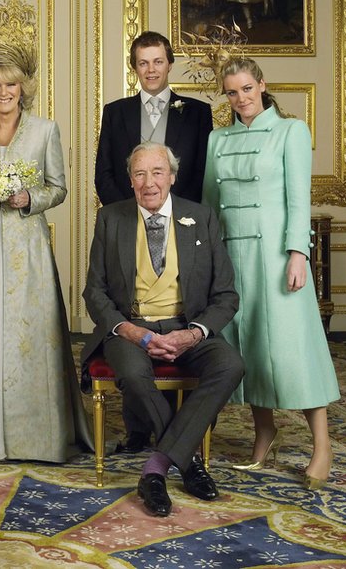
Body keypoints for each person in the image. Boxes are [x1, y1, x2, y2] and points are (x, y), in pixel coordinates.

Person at [0, 41, 90, 462]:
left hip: (28, 245)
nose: (3, 92)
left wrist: (30, 198)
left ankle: (36, 439)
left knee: (31, 332)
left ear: (23, 87)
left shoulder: (45, 130)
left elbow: (58, 188)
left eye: (10, 84)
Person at [82, 142, 244, 517]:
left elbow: (226, 295)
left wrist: (192, 334)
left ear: (172, 176)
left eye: (157, 172)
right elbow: (95, 291)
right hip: (131, 329)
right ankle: (189, 463)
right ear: (130, 180)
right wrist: (130, 331)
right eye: (139, 174)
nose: (148, 183)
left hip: (186, 326)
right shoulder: (111, 218)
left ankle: (155, 469)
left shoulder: (200, 217)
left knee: (230, 365)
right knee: (132, 374)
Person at [203, 57, 340, 490]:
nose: (240, 98)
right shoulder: (217, 139)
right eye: (232, 92)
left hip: (278, 257)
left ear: (261, 85)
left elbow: (299, 200)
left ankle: (322, 446)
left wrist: (298, 253)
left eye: (247, 88)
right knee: (246, 347)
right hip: (232, 256)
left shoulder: (290, 131)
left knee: (293, 349)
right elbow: (209, 206)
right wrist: (207, 260)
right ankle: (264, 432)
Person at [94, 30, 213, 454]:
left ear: (169, 64)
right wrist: (132, 217)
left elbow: (199, 174)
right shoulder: (116, 112)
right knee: (133, 313)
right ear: (134, 68)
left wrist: (172, 215)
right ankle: (139, 431)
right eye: (142, 63)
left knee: (175, 315)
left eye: (158, 61)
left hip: (179, 223)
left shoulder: (197, 113)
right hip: (130, 223)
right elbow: (105, 173)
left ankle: (174, 426)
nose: (150, 69)